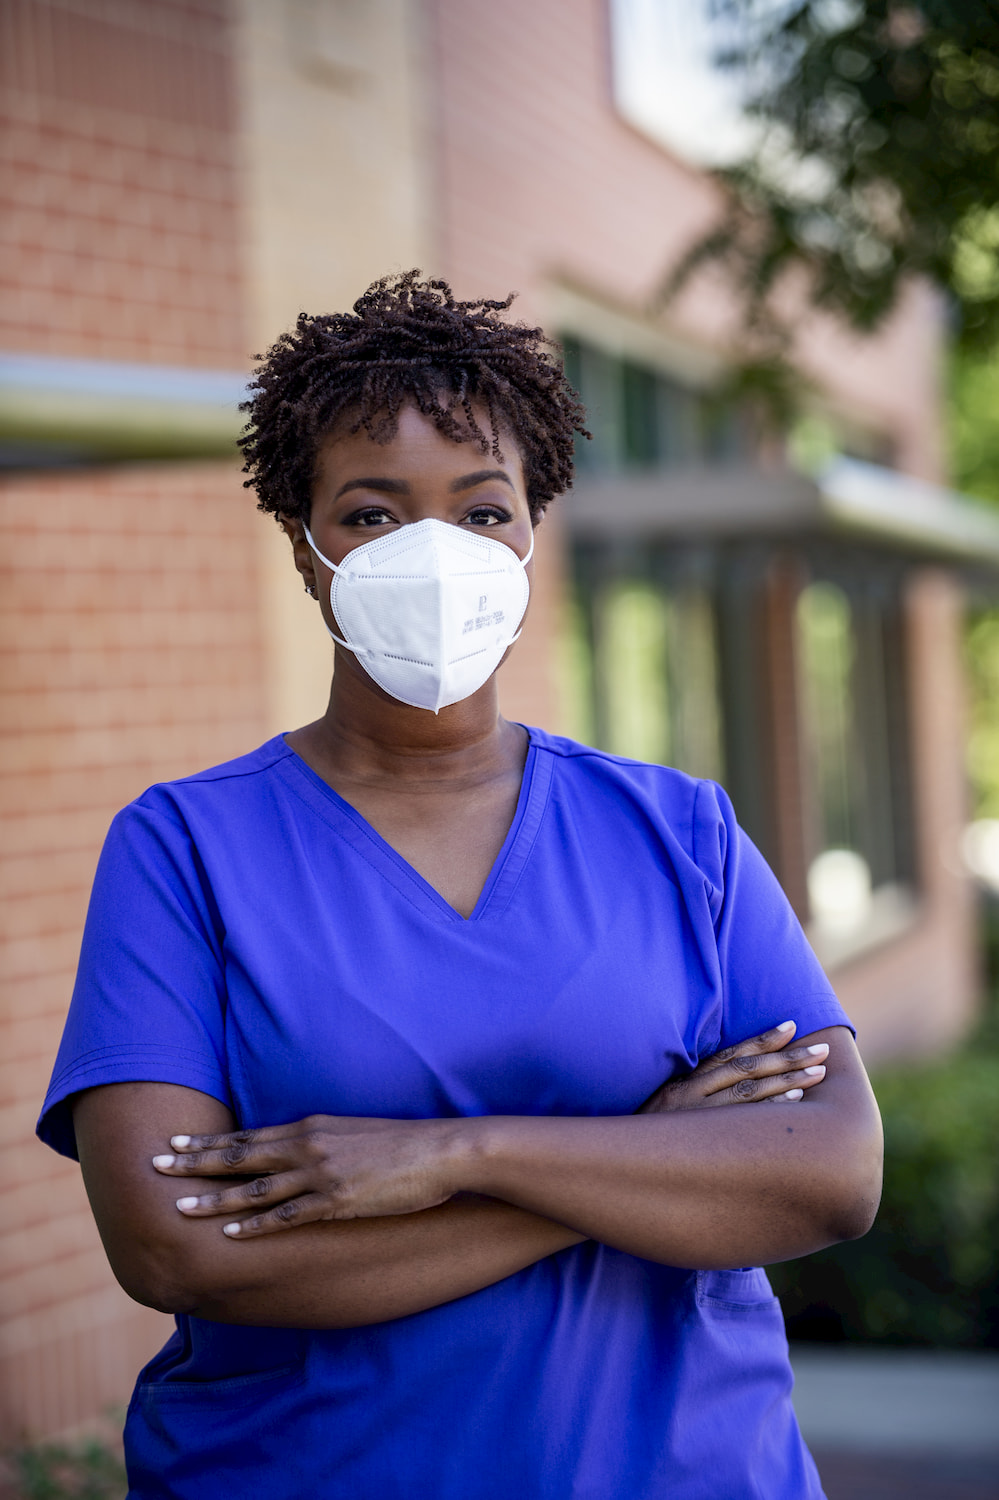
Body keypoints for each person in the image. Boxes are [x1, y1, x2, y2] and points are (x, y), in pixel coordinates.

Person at [38, 272, 882, 1500]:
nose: (435, 552)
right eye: (374, 513)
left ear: (535, 528)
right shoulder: (183, 851)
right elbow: (180, 1255)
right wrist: (639, 1162)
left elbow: (830, 1171)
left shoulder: (678, 831)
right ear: (304, 546)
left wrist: (458, 1154)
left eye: (481, 509)